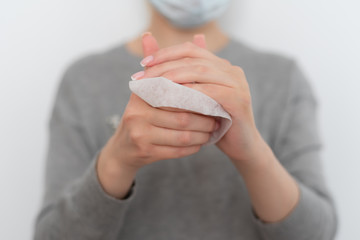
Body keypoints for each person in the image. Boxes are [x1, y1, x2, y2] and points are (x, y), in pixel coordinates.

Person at [34, 0, 337, 239]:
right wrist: (118, 160)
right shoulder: (84, 79)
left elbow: (317, 233)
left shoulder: (282, 77)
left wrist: (252, 153)